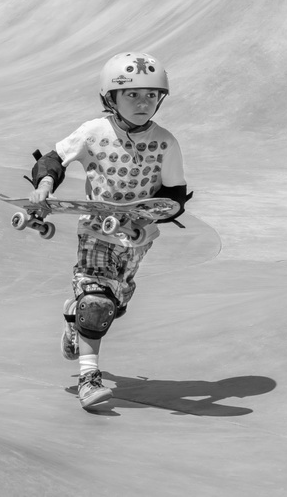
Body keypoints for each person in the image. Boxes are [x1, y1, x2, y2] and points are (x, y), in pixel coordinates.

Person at [27, 52, 192, 409]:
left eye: (150, 95)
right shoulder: (94, 132)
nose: (143, 102)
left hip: (138, 239)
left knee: (114, 305)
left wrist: (152, 216)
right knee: (97, 304)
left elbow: (174, 195)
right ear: (110, 98)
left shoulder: (166, 143)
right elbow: (53, 160)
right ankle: (90, 380)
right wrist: (43, 188)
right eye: (132, 94)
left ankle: (75, 321)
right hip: (95, 231)